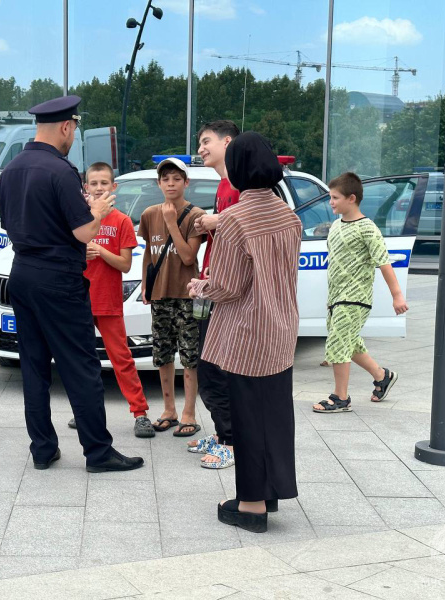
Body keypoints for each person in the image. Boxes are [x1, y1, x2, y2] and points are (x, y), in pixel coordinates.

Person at [0, 95, 144, 473]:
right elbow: (83, 233)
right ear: (66, 126)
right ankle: (98, 452)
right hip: (58, 278)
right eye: (74, 129)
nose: (72, 137)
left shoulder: (11, 170)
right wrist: (97, 211)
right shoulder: (60, 171)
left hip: (23, 272)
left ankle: (42, 449)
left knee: (33, 366)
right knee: (80, 365)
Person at [188, 131, 301, 534]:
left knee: (248, 418)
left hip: (248, 331)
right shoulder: (289, 215)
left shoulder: (236, 219)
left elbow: (231, 286)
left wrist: (203, 286)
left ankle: (251, 505)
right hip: (282, 325)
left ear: (236, 168)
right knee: (274, 416)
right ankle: (270, 492)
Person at [66, 162, 154, 438]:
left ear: (114, 187)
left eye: (104, 183)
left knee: (121, 358)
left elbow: (126, 265)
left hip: (108, 301)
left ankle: (140, 413)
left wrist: (100, 252)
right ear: (86, 188)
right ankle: (84, 411)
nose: (99, 188)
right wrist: (82, 255)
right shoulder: (77, 220)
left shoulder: (122, 221)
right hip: (79, 300)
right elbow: (67, 259)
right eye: (94, 183)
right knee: (81, 360)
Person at [311, 172, 409, 414]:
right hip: (337, 298)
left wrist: (397, 296)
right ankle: (382, 376)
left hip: (355, 298)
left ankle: (340, 397)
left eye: (335, 197)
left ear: (351, 198)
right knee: (350, 345)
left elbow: (384, 263)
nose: (330, 202)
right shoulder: (336, 226)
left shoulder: (367, 228)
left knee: (337, 345)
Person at [139, 157, 205, 437]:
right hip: (161, 294)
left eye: (176, 178)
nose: (170, 183)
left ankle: (189, 413)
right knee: (162, 354)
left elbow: (189, 256)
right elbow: (148, 252)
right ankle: (169, 410)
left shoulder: (195, 215)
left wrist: (171, 222)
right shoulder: (149, 213)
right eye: (165, 179)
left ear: (186, 182)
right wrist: (145, 284)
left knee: (190, 356)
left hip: (187, 295)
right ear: (158, 183)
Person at [189, 120, 240, 469]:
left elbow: (245, 224)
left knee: (215, 370)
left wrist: (215, 221)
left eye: (207, 141)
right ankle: (223, 435)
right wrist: (209, 224)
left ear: (228, 141)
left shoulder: (240, 184)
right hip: (211, 289)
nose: (201, 148)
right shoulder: (223, 184)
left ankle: (231, 441)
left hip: (227, 294)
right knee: (205, 365)